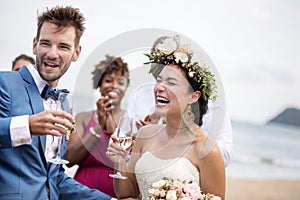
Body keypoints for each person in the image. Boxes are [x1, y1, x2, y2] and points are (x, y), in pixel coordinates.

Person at [0, 6, 111, 200]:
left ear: (76, 53)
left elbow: (55, 178)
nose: (52, 54)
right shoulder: (5, 83)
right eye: (45, 44)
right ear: (34, 45)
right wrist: (27, 125)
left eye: (63, 47)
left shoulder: (64, 104)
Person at [106, 36, 226, 199]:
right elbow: (127, 193)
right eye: (160, 80)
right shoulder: (145, 134)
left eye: (171, 82)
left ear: (193, 96)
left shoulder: (207, 150)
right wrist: (119, 162)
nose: (159, 87)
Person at [131, 36, 233, 167]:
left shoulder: (213, 108)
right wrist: (146, 137)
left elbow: (224, 156)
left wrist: (185, 140)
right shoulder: (141, 97)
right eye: (156, 58)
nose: (160, 64)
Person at [65, 55, 130, 198]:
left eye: (120, 82)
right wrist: (98, 127)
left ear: (126, 88)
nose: (114, 86)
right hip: (82, 192)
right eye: (108, 80)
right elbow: (70, 160)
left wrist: (111, 127)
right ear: (99, 85)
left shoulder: (132, 120)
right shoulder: (83, 117)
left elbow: (130, 161)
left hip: (117, 193)